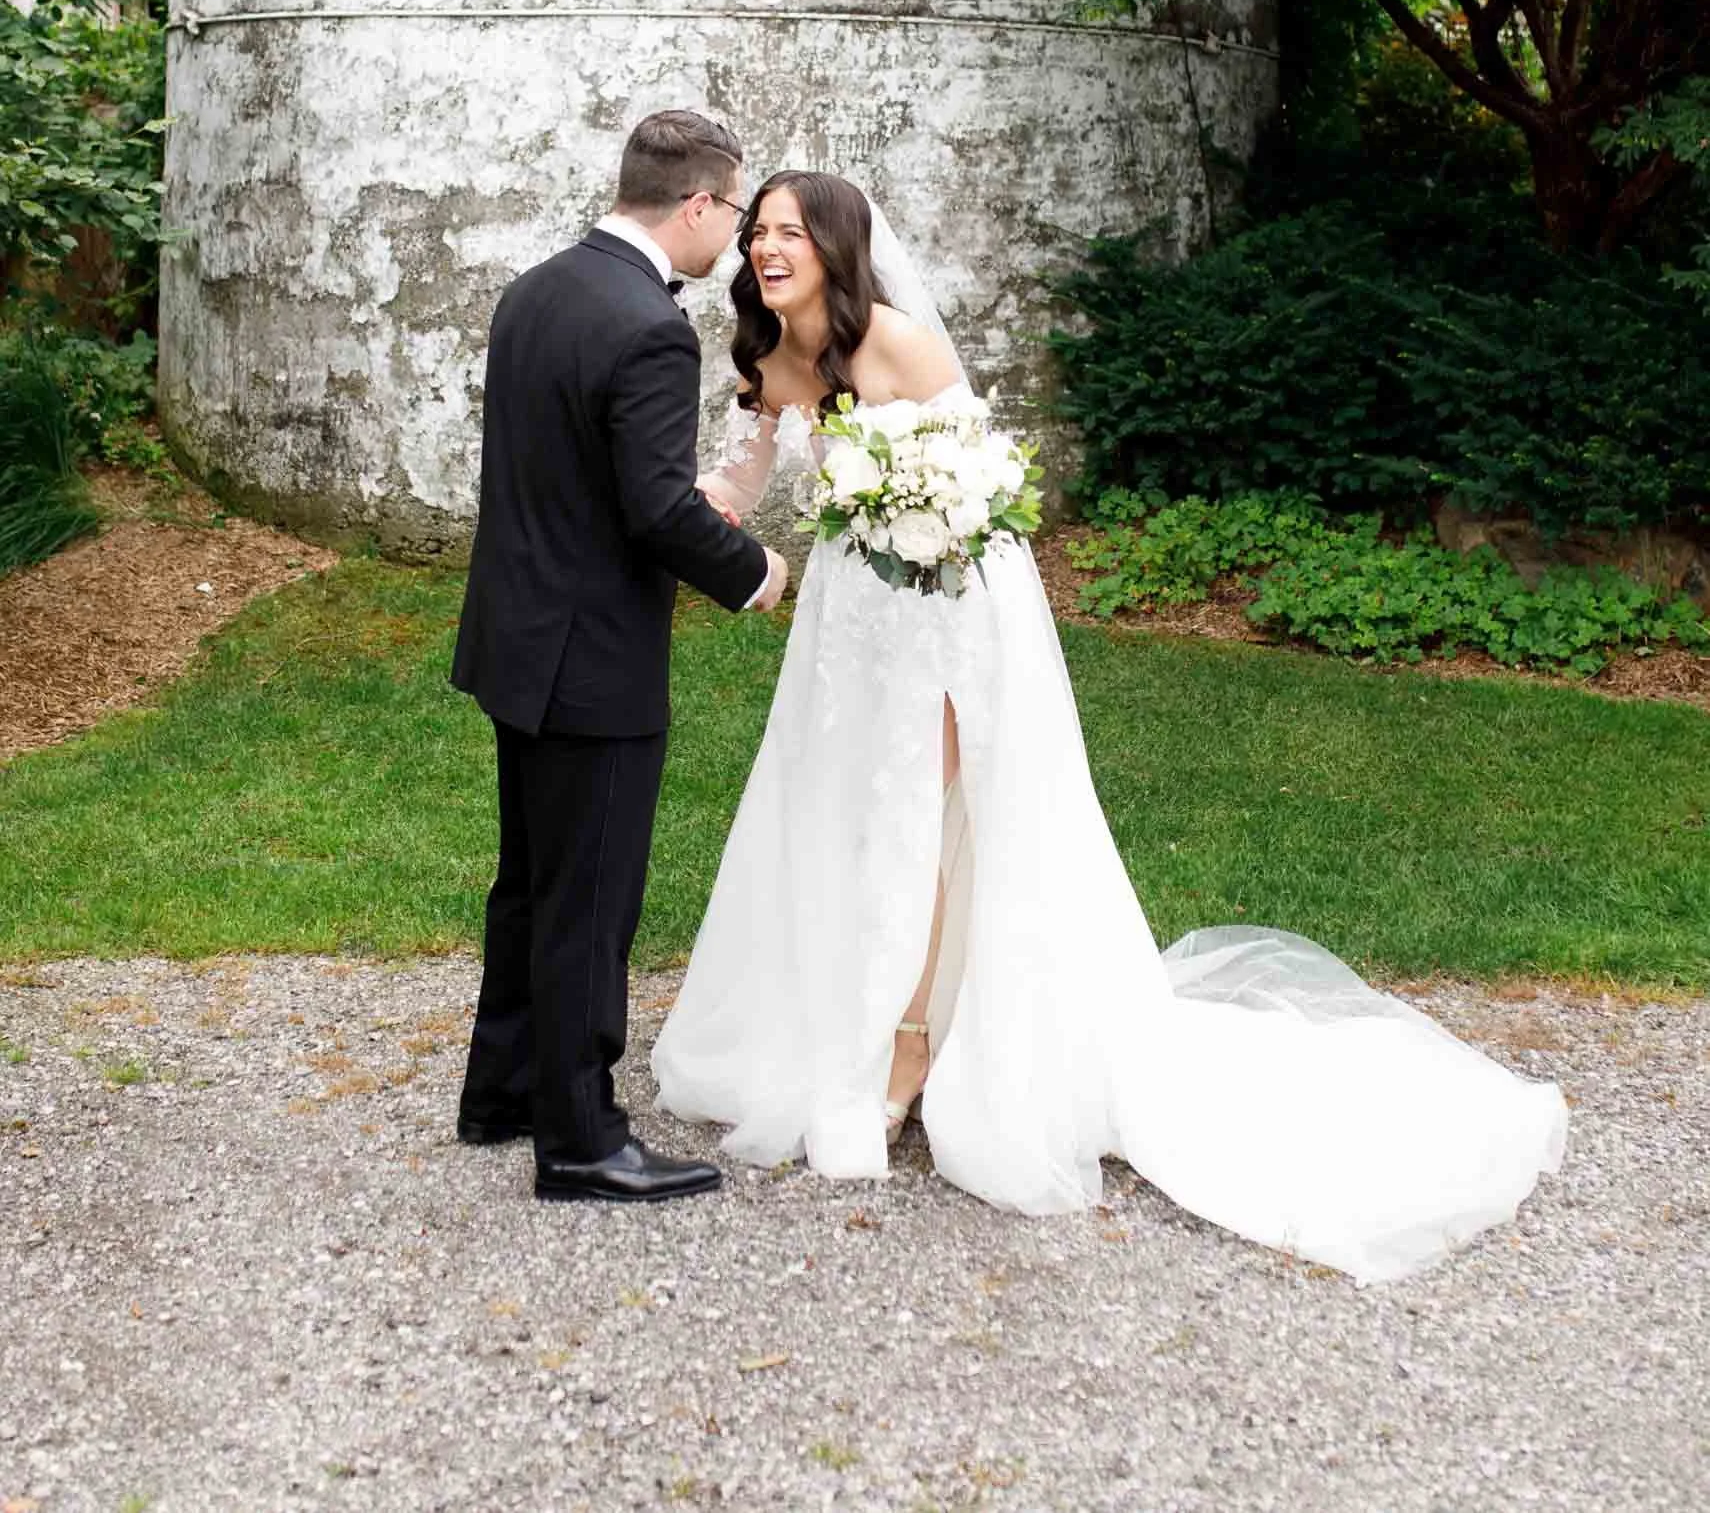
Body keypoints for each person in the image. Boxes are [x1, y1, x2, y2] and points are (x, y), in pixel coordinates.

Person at [653, 171, 1569, 1282]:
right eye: (758, 232)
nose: (766, 248)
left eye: (789, 232)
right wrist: (678, 519)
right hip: (847, 622)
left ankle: (906, 1044)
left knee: (914, 811)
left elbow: (978, 493)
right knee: (828, 804)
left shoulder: (897, 343)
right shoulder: (766, 357)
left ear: (838, 246)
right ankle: (827, 1012)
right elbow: (742, 475)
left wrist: (927, 546)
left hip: (945, 615)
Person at [452, 111, 789, 1205]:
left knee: (531, 887)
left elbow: (572, 474)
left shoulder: (536, 288)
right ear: (697, 203)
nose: (735, 240)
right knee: (588, 903)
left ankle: (502, 1092)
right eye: (735, 214)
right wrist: (752, 572)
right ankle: (583, 1138)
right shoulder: (646, 323)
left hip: (516, 642)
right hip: (592, 659)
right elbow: (650, 506)